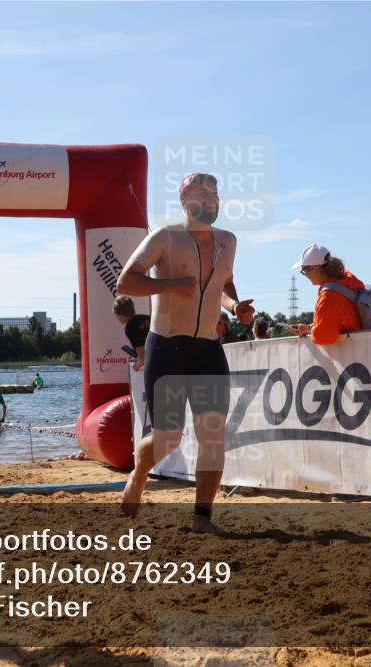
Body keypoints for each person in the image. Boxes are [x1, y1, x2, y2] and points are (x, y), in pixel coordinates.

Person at [116, 172, 255, 534]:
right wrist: (170, 285)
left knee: (212, 432)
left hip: (207, 348)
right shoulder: (165, 237)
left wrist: (235, 306)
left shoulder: (228, 241)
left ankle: (202, 518)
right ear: (184, 200)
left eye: (215, 192)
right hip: (168, 348)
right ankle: (139, 474)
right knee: (168, 438)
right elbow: (126, 281)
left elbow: (224, 282)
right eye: (201, 192)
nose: (210, 198)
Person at [290, 244, 364, 344]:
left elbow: (324, 337)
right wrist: (309, 328)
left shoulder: (328, 298)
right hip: (365, 347)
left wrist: (311, 331)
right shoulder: (346, 280)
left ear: (315, 268)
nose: (305, 275)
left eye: (304, 270)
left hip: (354, 353)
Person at [113, 295, 151, 371]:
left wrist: (136, 366)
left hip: (155, 363)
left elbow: (143, 358)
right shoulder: (146, 317)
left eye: (115, 315)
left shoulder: (130, 327)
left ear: (119, 315)